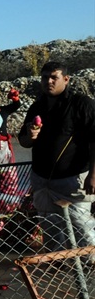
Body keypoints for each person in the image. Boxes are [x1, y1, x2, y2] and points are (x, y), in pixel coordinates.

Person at [18, 61, 95, 251]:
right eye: (45, 77)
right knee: (51, 232)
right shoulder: (37, 108)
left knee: (82, 229)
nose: (49, 81)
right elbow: (24, 142)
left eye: (54, 77)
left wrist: (94, 175)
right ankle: (57, 272)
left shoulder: (81, 104)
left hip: (73, 180)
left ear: (66, 79)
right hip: (43, 181)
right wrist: (30, 136)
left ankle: (89, 270)